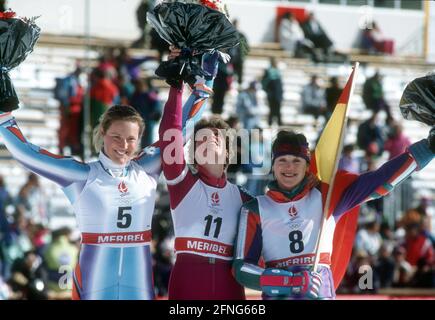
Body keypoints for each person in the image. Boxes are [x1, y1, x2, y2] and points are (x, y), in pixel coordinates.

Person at [0, 64, 212, 299]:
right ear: (103, 132)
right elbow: (28, 154)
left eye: (131, 139)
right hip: (94, 283)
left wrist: (205, 85)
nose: (123, 145)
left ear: (140, 139)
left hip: (139, 283)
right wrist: (3, 114)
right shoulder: (81, 175)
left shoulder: (147, 168)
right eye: (116, 137)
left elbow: (179, 130)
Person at [233, 128, 434, 299]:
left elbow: (381, 180)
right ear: (273, 165)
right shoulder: (255, 208)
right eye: (282, 160)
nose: (289, 167)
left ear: (306, 166)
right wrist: (291, 282)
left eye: (297, 161)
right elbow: (241, 269)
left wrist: (428, 147)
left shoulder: (328, 196)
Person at [159, 48, 252, 300]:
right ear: (192, 154)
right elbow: (170, 132)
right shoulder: (182, 183)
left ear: (229, 154)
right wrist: (176, 83)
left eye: (216, 138)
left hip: (230, 288)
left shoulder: (245, 201)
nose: (208, 140)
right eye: (200, 139)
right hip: (187, 285)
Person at [261, 58, 284, 126]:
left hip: (278, 93)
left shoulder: (278, 71)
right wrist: (267, 90)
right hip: (271, 93)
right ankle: (270, 122)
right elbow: (264, 82)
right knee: (271, 108)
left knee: (278, 108)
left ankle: (279, 122)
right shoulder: (268, 71)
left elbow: (280, 84)